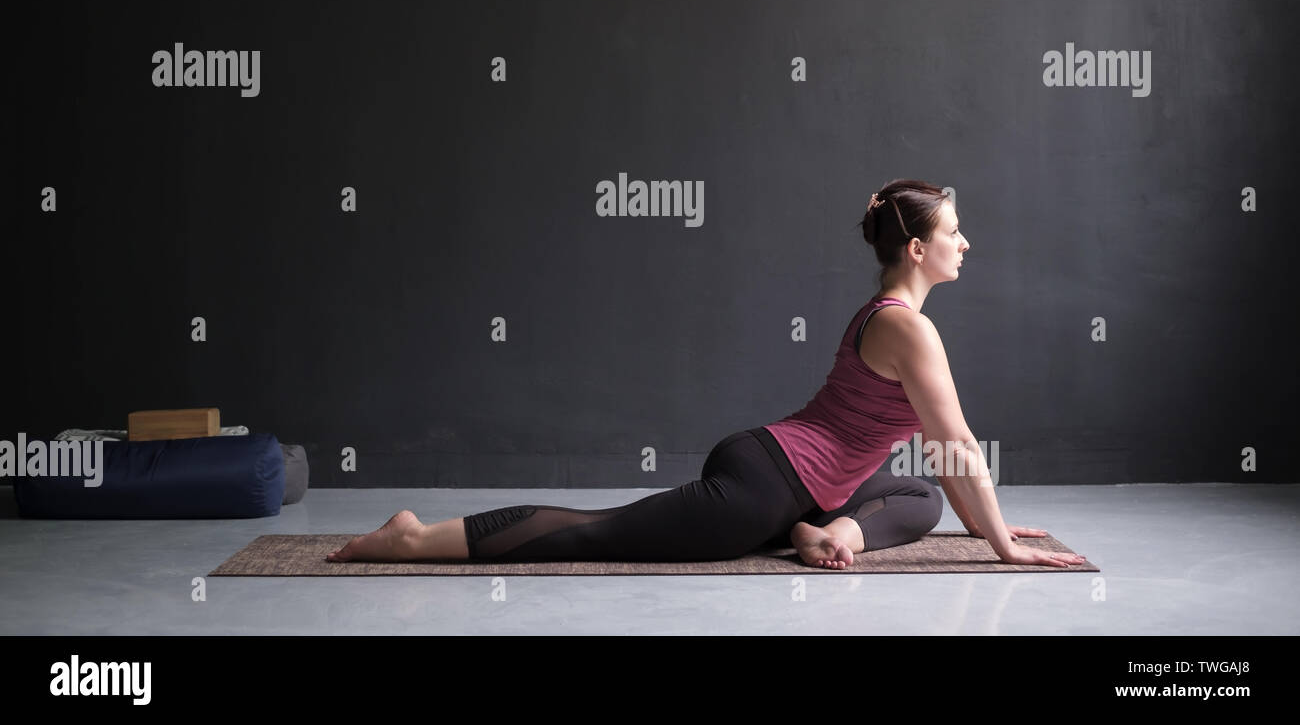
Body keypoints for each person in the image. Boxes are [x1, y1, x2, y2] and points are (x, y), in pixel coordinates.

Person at [327, 178, 1086, 569]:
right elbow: (953, 438)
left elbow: (938, 461)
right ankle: (414, 538)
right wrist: (1002, 547)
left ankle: (827, 533)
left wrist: (984, 522)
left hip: (801, 473)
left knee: (916, 497)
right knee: (600, 533)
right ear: (916, 248)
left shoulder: (889, 314)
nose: (966, 243)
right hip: (764, 483)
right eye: (953, 232)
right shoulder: (906, 326)